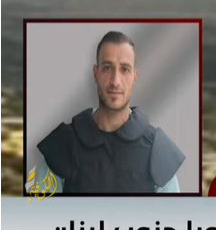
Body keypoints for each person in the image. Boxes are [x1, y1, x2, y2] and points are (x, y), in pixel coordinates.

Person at [35, 31, 184, 193]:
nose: (115, 81)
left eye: (125, 69)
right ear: (95, 73)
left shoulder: (158, 152)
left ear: (134, 76)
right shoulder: (63, 146)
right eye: (107, 68)